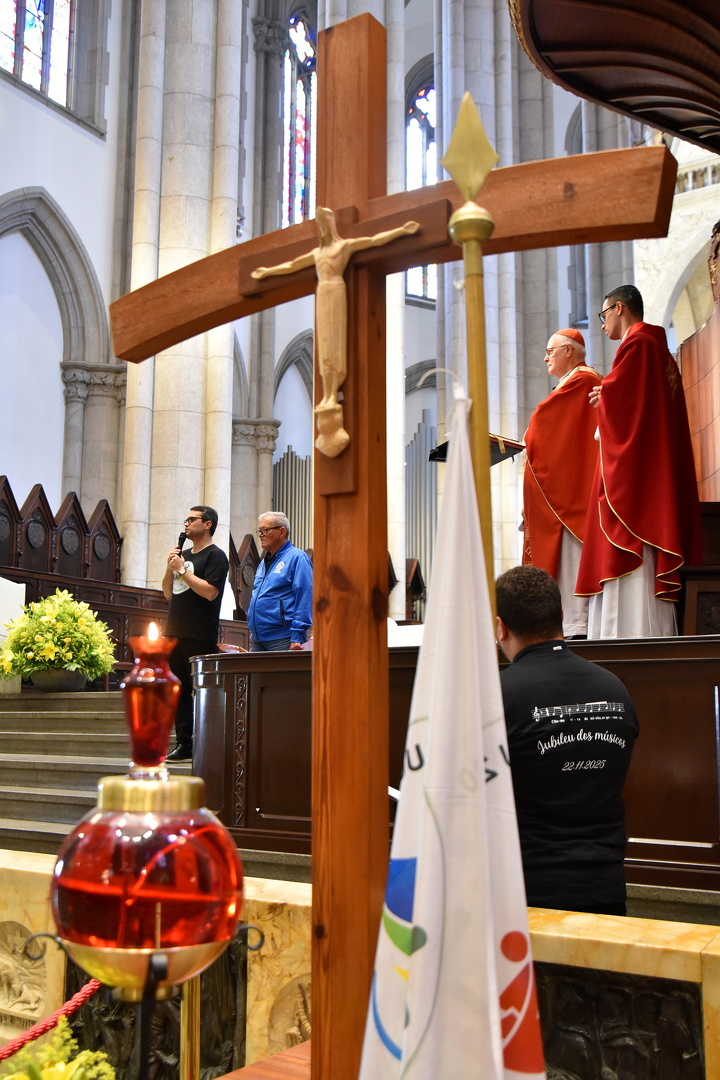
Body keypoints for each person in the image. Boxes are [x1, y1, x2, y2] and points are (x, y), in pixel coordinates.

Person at [496, 565, 638, 915]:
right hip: (606, 889)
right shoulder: (614, 688)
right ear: (560, 615)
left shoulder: (497, 695)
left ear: (501, 627)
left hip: (528, 899)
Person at [575, 285, 702, 637]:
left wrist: (606, 395)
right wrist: (611, 391)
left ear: (619, 308)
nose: (602, 324)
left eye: (603, 315)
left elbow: (630, 406)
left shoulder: (639, 344)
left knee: (626, 545)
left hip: (638, 480)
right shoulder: (657, 348)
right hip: (651, 470)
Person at [252, 207, 419, 457]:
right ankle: (328, 395)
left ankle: (332, 394)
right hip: (322, 295)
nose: (323, 228)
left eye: (325, 222)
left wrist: (402, 231)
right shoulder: (317, 254)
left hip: (337, 293)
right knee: (325, 347)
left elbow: (374, 241)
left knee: (336, 345)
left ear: (331, 224)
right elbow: (292, 265)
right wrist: (267, 272)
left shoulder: (344, 247)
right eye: (320, 224)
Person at [522, 328, 601, 637]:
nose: (545, 358)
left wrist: (531, 439)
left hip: (570, 493)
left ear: (569, 351)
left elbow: (544, 424)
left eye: (550, 351)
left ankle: (576, 627)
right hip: (561, 491)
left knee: (571, 561)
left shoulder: (583, 381)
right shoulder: (573, 382)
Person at [163, 506, 229, 762]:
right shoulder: (184, 555)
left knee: (201, 691)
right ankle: (184, 743)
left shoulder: (216, 556)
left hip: (199, 633)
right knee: (178, 691)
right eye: (186, 519)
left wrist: (182, 570)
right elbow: (168, 593)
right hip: (174, 632)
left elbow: (210, 592)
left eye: (192, 519)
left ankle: (206, 743)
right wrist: (170, 567)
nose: (186, 523)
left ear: (207, 524)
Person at [247, 511, 313, 651]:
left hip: (284, 638)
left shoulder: (297, 558)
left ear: (282, 532)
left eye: (265, 530)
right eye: (259, 530)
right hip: (258, 638)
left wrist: (297, 635)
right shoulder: (263, 562)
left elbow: (304, 597)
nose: (260, 534)